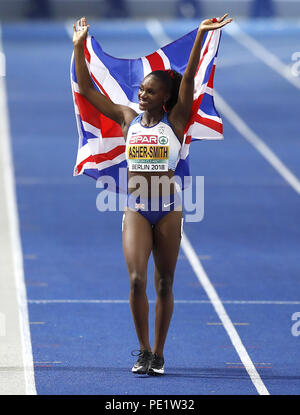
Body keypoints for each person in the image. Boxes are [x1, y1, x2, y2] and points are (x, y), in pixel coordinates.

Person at [72, 14, 232, 376]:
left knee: (164, 281)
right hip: (137, 207)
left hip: (170, 209)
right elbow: (88, 91)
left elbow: (189, 78)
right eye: (141, 89)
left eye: (149, 91)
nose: (141, 94)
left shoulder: (175, 121)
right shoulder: (127, 117)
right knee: (136, 280)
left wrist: (201, 37)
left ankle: (159, 353)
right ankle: (142, 350)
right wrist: (79, 47)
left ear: (166, 99)